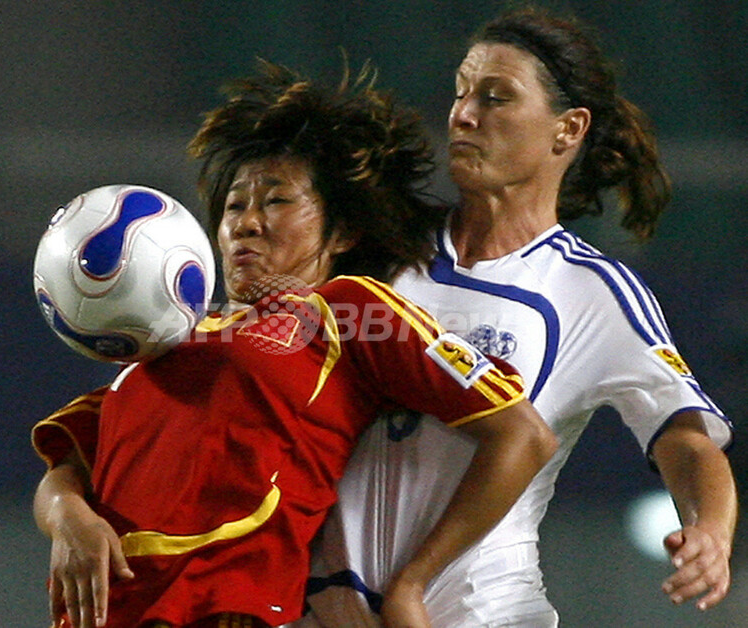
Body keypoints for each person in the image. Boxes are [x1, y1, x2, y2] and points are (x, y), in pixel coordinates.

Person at [31, 60, 558, 628]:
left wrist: (414, 581)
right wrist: (67, 517)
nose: (246, 223)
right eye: (234, 206)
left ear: (342, 231)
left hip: (227, 613)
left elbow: (523, 435)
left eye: (276, 201)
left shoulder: (347, 312)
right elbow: (66, 465)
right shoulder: (165, 338)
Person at [301, 6, 737, 627]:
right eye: (460, 93)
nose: (463, 114)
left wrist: (710, 531)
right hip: (333, 613)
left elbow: (686, 437)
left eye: (496, 97)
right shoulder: (381, 252)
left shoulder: (588, 290)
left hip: (485, 614)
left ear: (567, 129)